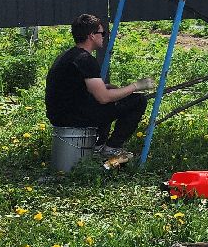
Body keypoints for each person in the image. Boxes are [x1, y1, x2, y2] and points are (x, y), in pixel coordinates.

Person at [45, 14, 153, 164]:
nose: (103, 37)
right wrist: (137, 86)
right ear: (91, 36)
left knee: (108, 99)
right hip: (73, 117)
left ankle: (98, 144)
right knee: (137, 100)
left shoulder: (69, 55)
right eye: (102, 33)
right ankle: (111, 147)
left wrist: (107, 88)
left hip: (61, 114)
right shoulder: (85, 59)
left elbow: (75, 88)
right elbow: (104, 97)